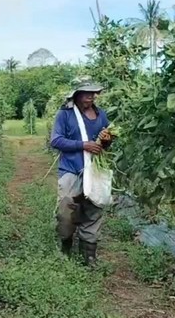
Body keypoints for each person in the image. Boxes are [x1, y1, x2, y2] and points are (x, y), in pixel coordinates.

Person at [50, 77, 112, 266]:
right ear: (76, 95)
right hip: (71, 169)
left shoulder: (101, 115)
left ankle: (89, 255)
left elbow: (105, 144)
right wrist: (83, 145)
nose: (91, 97)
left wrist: (107, 140)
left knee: (94, 208)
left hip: (95, 170)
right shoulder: (65, 115)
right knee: (66, 209)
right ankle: (66, 244)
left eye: (93, 93)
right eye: (86, 93)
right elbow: (56, 140)